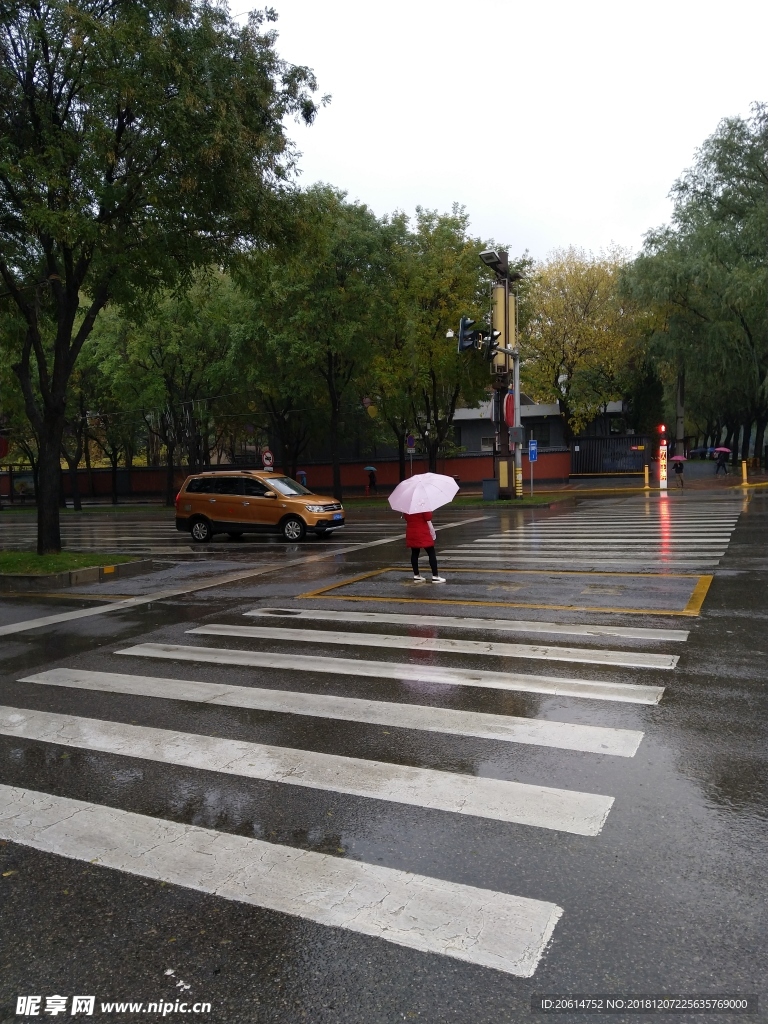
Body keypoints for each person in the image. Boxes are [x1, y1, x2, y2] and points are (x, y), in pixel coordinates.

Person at [404, 510, 445, 583]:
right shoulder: (422, 506)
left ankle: (416, 575)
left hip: (412, 532)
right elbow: (428, 517)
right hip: (422, 531)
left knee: (414, 553)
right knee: (431, 552)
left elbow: (406, 518)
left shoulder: (408, 508)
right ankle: (435, 576)